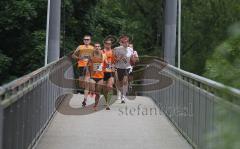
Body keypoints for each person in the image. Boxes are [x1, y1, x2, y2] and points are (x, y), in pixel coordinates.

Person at [113, 35, 138, 103]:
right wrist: (119, 58)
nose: (126, 43)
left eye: (127, 42)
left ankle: (123, 97)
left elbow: (133, 59)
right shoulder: (117, 49)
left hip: (127, 67)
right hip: (119, 67)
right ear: (122, 42)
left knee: (125, 81)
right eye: (124, 42)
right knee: (120, 83)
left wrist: (134, 59)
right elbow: (113, 59)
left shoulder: (130, 49)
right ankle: (121, 93)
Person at [72, 35, 94, 107]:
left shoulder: (92, 48)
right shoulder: (80, 47)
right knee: (81, 83)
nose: (86, 41)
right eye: (85, 39)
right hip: (81, 66)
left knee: (86, 82)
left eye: (88, 39)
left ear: (90, 41)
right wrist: (78, 57)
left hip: (88, 66)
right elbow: (73, 55)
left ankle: (85, 99)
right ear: (83, 40)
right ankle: (89, 89)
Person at [88, 46, 106, 111]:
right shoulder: (91, 56)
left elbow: (107, 64)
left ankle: (95, 106)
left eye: (98, 46)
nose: (97, 48)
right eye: (96, 47)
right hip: (93, 77)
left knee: (98, 93)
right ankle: (91, 92)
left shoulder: (104, 56)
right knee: (92, 90)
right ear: (94, 48)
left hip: (100, 77)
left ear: (100, 48)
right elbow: (88, 65)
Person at [102, 39, 115, 110]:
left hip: (110, 72)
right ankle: (106, 99)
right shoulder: (101, 51)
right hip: (102, 72)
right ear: (104, 44)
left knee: (110, 86)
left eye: (109, 44)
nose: (108, 45)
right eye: (107, 43)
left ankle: (107, 104)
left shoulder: (113, 52)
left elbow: (115, 61)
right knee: (104, 89)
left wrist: (114, 67)